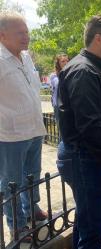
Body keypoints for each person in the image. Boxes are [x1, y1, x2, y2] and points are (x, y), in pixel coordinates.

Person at [56, 15, 101, 249]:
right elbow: (88, 125)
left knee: (87, 220)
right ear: (99, 39)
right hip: (83, 157)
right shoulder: (84, 71)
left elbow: (90, 113)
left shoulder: (94, 67)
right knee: (92, 229)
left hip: (87, 156)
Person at [0, 11, 48, 239]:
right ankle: (17, 224)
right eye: (20, 32)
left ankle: (32, 208)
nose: (26, 36)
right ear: (2, 35)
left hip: (34, 129)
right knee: (12, 182)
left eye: (27, 31)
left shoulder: (26, 57)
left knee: (33, 174)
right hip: (11, 135)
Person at [48, 53, 69, 122]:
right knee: (61, 127)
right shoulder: (53, 76)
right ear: (58, 64)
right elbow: (57, 85)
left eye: (67, 61)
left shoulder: (71, 73)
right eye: (63, 61)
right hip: (58, 106)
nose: (66, 63)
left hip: (69, 104)